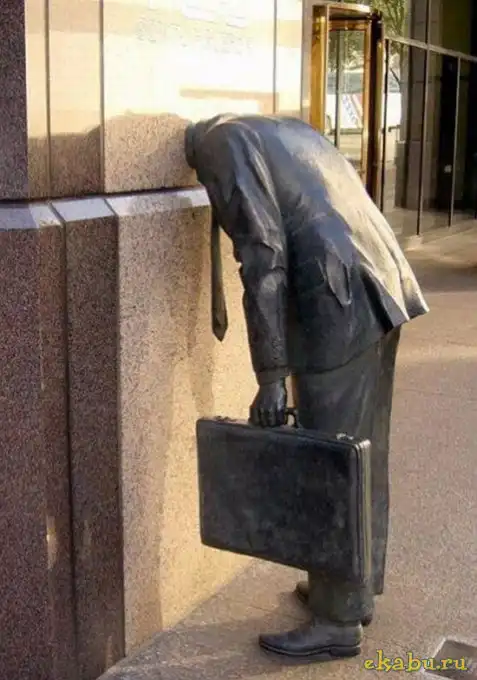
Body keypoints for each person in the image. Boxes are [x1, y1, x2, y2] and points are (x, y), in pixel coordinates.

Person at [185, 114, 429, 661]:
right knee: (362, 454)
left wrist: (271, 377)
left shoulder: (222, 146)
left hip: (337, 304)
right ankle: (352, 587)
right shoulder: (279, 130)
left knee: (330, 461)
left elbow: (263, 256)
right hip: (378, 284)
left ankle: (338, 618)